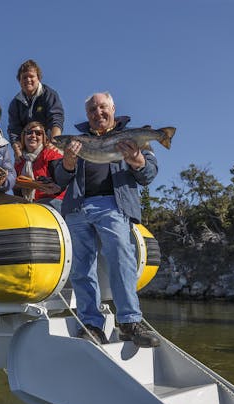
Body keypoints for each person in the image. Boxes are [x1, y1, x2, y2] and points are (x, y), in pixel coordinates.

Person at [55, 92, 160, 348]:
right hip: (77, 207)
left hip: (114, 204)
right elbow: (59, 179)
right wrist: (68, 163)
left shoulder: (135, 138)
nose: (97, 113)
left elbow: (149, 174)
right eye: (92, 110)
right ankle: (91, 325)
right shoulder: (75, 142)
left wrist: (137, 161)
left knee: (121, 257)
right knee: (81, 268)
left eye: (102, 107)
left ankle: (129, 322)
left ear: (113, 108)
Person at [8, 59, 64, 161]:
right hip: (27, 152)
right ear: (19, 81)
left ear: (38, 78)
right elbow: (14, 129)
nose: (28, 80)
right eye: (24, 77)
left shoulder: (49, 94)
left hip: (48, 145)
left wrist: (54, 143)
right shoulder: (15, 103)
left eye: (31, 76)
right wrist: (16, 148)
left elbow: (56, 119)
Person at [13, 121, 65, 210]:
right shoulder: (20, 161)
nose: (33, 135)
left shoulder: (51, 154)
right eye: (29, 133)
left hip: (53, 201)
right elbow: (17, 191)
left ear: (44, 138)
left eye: (38, 133)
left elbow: (62, 180)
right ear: (23, 137)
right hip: (29, 203)